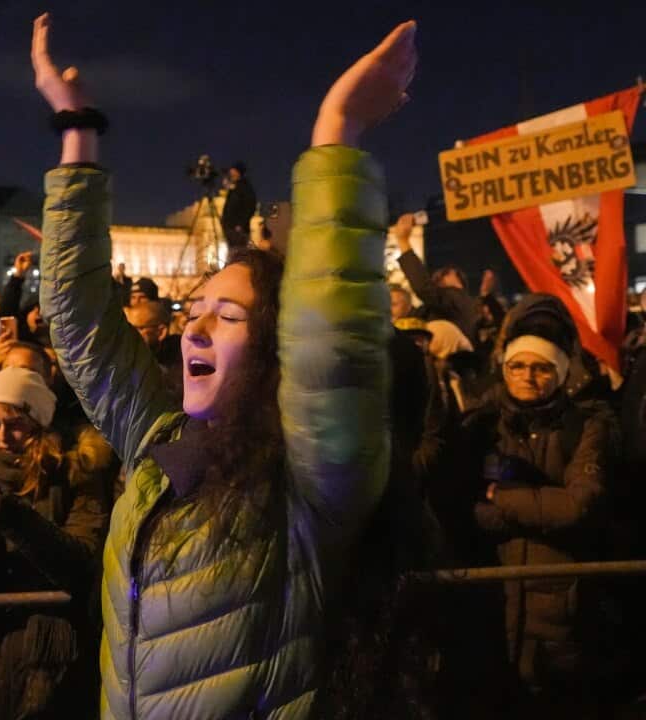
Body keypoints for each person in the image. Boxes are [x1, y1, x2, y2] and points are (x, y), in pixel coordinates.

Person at [32, 14, 415, 718]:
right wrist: (77, 132)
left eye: (230, 316)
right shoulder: (160, 443)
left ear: (276, 349)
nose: (194, 327)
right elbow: (78, 319)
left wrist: (337, 138)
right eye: (195, 308)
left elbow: (333, 350)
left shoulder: (309, 477)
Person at [432, 293, 618, 717]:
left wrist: (500, 499)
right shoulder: (480, 424)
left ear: (561, 373)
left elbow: (578, 506)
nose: (528, 377)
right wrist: (534, 510)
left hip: (560, 618)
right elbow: (461, 506)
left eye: (541, 367)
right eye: (517, 365)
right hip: (491, 612)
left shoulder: (588, 424)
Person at [0, 367, 113, 719]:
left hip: (52, 636)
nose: (2, 436)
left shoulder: (73, 469)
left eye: (14, 422)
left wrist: (8, 514)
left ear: (39, 419)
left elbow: (80, 560)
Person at [393, 213, 478, 339]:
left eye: (443, 274)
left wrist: (403, 241)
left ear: (458, 280)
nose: (437, 279)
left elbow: (423, 288)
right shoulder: (444, 306)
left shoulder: (457, 298)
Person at [124, 300, 182, 400]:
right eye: (127, 328)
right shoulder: (128, 358)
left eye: (138, 328)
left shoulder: (181, 363)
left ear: (161, 332)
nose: (129, 334)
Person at [220, 162, 257, 247]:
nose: (231, 175)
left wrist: (241, 224)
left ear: (238, 173)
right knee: (233, 254)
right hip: (230, 228)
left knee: (238, 253)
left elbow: (250, 207)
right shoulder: (234, 188)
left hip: (238, 229)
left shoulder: (245, 187)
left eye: (233, 173)